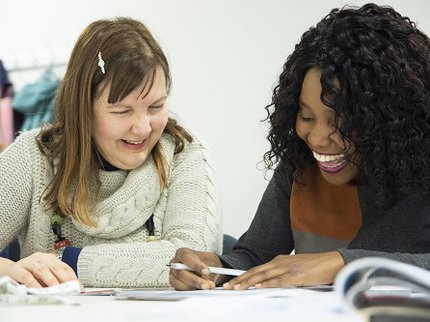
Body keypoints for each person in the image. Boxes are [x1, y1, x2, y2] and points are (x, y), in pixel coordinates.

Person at [169, 3, 430, 291]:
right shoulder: (302, 165)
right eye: (306, 116)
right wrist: (215, 269)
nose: (318, 138)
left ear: (390, 115)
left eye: (339, 121)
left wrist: (343, 263)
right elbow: (253, 256)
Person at [0, 17, 222, 288]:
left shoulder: (184, 152)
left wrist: (66, 261)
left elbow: (189, 263)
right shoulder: (34, 155)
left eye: (156, 107)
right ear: (82, 110)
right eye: (121, 111)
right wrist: (7, 269)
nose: (142, 128)